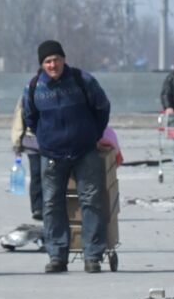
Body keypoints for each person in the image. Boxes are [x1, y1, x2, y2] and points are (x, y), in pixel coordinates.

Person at [22, 40, 112, 273]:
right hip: (51, 155)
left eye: (56, 60)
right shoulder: (34, 87)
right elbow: (30, 118)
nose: (53, 65)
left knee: (91, 201)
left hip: (85, 151)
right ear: (42, 64)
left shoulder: (83, 80)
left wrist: (94, 134)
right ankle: (57, 256)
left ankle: (92, 255)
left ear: (64, 59)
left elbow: (102, 107)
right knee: (51, 205)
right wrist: (45, 139)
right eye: (47, 61)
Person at [10, 97, 43, 219]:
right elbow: (19, 120)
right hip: (34, 141)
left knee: (39, 175)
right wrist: (17, 143)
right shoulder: (29, 92)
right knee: (38, 174)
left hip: (45, 141)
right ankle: (38, 208)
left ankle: (41, 207)